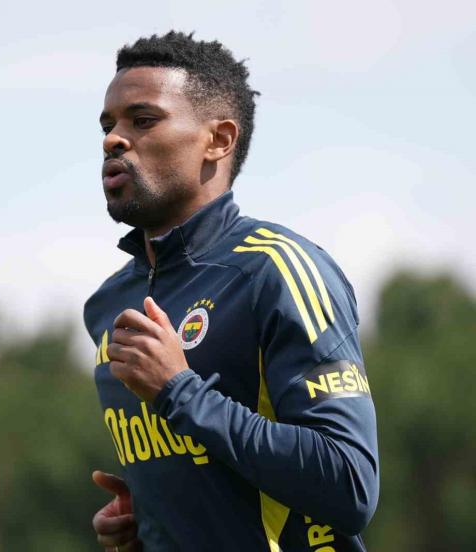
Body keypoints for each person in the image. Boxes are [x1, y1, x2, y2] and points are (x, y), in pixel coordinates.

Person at [82, 32, 379, 551]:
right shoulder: (107, 304)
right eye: (108, 126)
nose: (113, 140)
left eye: (142, 120)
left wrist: (179, 391)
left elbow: (349, 484)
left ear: (218, 140)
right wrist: (153, 522)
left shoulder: (276, 270)